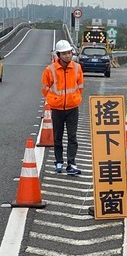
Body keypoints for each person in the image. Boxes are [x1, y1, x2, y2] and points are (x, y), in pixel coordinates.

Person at [41, 39, 84, 175]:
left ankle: (71, 163)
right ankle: (58, 161)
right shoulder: (50, 70)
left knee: (72, 137)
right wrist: (53, 100)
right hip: (57, 108)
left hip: (72, 108)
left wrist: (74, 98)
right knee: (57, 137)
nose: (67, 56)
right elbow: (45, 88)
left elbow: (80, 86)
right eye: (64, 53)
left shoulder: (77, 68)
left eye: (69, 53)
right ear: (58, 55)